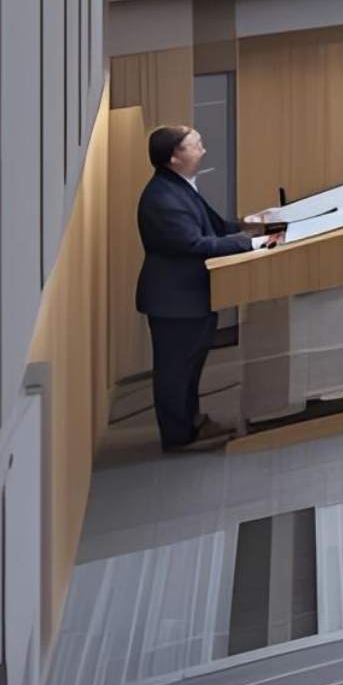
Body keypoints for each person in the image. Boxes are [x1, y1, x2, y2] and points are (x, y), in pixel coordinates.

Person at [137, 124, 275, 454]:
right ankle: (178, 437)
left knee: (190, 367)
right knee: (175, 371)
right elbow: (195, 243)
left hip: (190, 296)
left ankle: (192, 423)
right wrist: (250, 242)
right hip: (174, 300)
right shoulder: (162, 198)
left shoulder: (180, 186)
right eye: (196, 146)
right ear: (174, 157)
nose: (203, 151)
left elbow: (215, 226)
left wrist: (254, 223)